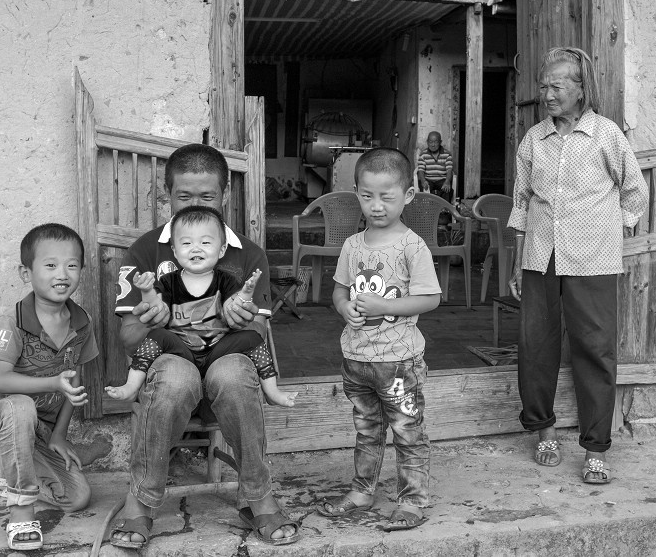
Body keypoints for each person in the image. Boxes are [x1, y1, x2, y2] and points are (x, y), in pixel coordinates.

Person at [110, 143, 299, 548]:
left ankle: (259, 497)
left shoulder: (248, 254)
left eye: (207, 196)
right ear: (167, 194)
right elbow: (127, 339)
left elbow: (258, 338)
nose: (194, 204)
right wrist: (148, 318)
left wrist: (241, 318)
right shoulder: (146, 250)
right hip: (169, 369)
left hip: (224, 361)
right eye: (183, 196)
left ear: (226, 195)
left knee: (233, 374)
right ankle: (141, 504)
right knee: (176, 380)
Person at [507, 47, 648, 484]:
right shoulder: (534, 139)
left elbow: (634, 192)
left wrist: (611, 227)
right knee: (536, 347)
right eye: (543, 86)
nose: (547, 94)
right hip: (540, 255)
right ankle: (544, 429)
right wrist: (517, 263)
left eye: (557, 86)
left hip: (593, 259)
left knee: (595, 351)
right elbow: (521, 203)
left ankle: (596, 448)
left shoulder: (606, 135)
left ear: (581, 88)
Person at [319, 147, 442, 531]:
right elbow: (339, 291)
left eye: (386, 197)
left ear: (407, 195)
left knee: (407, 430)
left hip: (399, 360)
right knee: (367, 430)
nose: (376, 206)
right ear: (356, 192)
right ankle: (362, 491)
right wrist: (345, 309)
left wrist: (379, 305)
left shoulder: (411, 246)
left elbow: (431, 298)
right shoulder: (352, 245)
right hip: (357, 359)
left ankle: (413, 500)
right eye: (366, 195)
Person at [0, 223, 96, 551]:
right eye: (50, 265)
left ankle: (1, 468)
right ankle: (21, 513)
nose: (62, 274)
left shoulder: (82, 323)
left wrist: (58, 436)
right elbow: (2, 380)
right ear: (26, 273)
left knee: (78, 497)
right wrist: (52, 381)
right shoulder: (12, 320)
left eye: (72, 265)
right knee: (21, 405)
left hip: (38, 431)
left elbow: (75, 379)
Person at [104, 205, 296, 408]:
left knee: (254, 338)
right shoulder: (169, 281)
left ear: (221, 249)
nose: (196, 248)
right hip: (181, 350)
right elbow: (157, 305)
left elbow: (235, 301)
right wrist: (147, 291)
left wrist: (246, 293)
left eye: (205, 242)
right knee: (156, 336)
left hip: (219, 351)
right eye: (187, 243)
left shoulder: (226, 280)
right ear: (175, 252)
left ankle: (272, 390)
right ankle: (131, 386)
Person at [416, 131, 454, 202]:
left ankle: (444, 211)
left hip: (442, 180)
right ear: (427, 142)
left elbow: (449, 170)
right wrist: (423, 181)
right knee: (425, 188)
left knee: (447, 189)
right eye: (430, 142)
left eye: (436, 142)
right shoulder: (423, 155)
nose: (433, 145)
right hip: (428, 180)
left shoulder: (447, 154)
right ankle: (428, 210)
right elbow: (421, 170)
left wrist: (447, 181)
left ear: (440, 142)